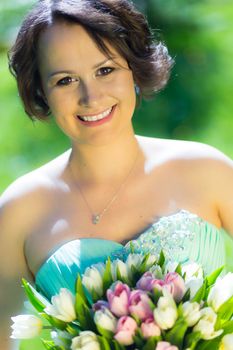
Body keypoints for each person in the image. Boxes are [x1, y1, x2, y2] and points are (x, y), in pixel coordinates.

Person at [1, 0, 233, 348]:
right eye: (65, 80)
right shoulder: (19, 209)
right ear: (41, 92)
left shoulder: (208, 170)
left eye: (105, 70)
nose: (91, 97)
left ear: (134, 70)